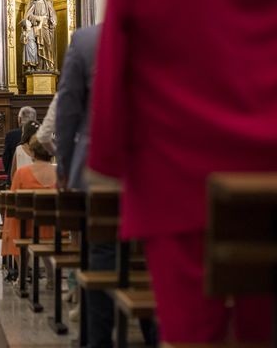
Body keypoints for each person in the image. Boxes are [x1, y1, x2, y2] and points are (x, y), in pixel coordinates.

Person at [88, 0, 277, 342]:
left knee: (193, 331)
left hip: (175, 172)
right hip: (270, 167)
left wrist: (109, 160)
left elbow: (115, 68)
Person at [57, 24, 157, 345]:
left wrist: (64, 166)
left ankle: (98, 340)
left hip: (99, 164)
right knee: (152, 257)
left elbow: (68, 109)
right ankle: (156, 336)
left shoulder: (86, 39)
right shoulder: (165, 34)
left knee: (100, 252)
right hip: (154, 165)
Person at [1, 137, 55, 260]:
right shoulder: (59, 173)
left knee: (19, 223)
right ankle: (50, 272)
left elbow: (12, 202)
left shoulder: (22, 173)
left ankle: (22, 272)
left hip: (27, 228)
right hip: (53, 228)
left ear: (33, 153)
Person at [2, 106, 36, 186]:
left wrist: (9, 173)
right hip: (35, 178)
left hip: (14, 178)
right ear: (34, 119)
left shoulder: (11, 135)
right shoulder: (39, 135)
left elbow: (6, 158)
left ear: (19, 119)